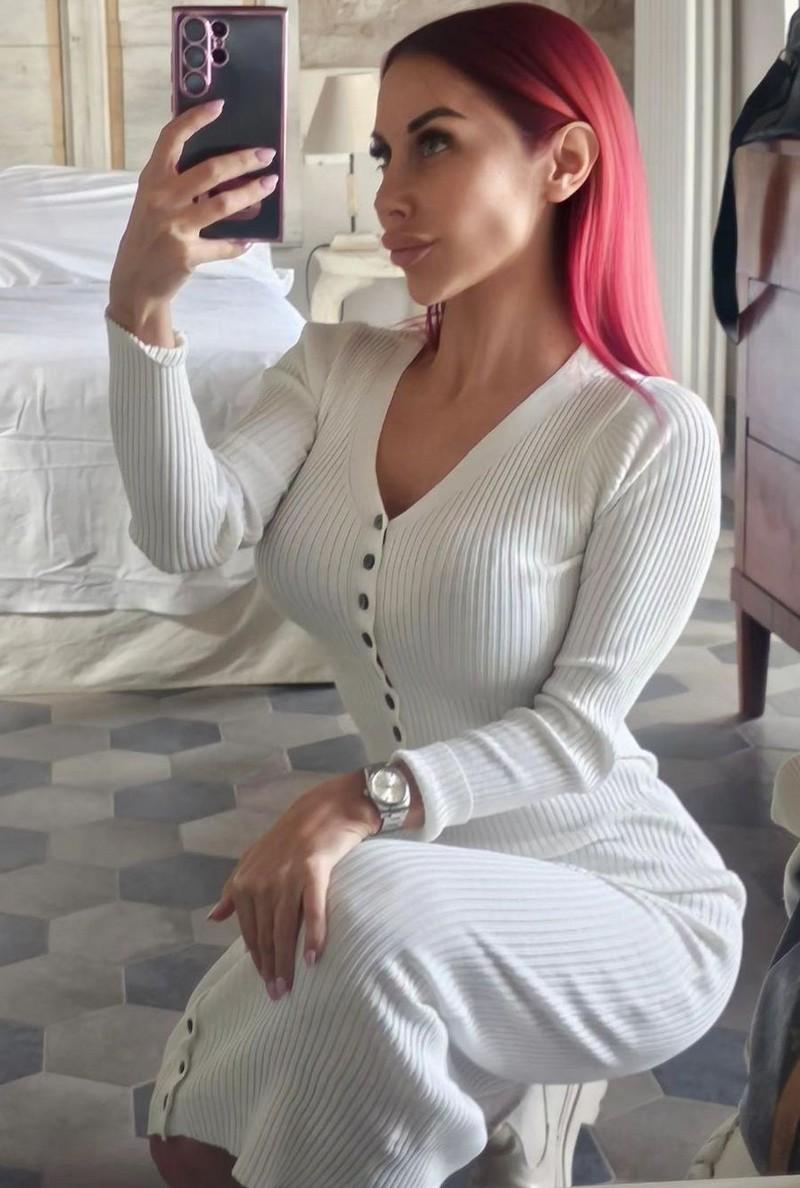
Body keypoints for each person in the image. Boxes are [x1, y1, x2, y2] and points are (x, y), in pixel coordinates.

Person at [105, 4, 747, 1186]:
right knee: (189, 1146)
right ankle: (489, 1104)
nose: (389, 194)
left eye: (434, 143)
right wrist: (140, 313)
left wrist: (362, 798)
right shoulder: (336, 365)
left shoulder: (646, 433)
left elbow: (578, 730)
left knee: (351, 926)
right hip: (404, 885)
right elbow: (188, 535)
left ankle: (495, 1085)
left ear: (563, 161)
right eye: (381, 154)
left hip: (612, 896)